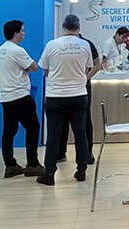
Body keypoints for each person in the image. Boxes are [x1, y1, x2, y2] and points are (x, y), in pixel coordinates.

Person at [36, 14, 94, 186]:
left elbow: (45, 70)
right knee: (80, 134)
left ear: (63, 27)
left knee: (53, 135)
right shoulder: (85, 45)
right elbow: (88, 67)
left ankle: (49, 173)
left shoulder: (51, 45)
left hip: (55, 96)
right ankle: (81, 170)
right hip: (79, 95)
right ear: (78, 27)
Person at [0, 20, 43, 179]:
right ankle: (33, 164)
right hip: (20, 96)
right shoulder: (17, 50)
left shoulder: (2, 49)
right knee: (33, 127)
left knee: (9, 131)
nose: (24, 33)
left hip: (6, 97)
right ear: (16, 33)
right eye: (22, 31)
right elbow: (34, 67)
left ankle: (10, 165)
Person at [58, 33, 101, 164]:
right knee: (75, 120)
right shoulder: (62, 44)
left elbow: (97, 64)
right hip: (71, 87)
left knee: (82, 119)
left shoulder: (85, 44)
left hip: (76, 88)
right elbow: (97, 65)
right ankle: (64, 153)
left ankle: (85, 153)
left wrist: (85, 79)